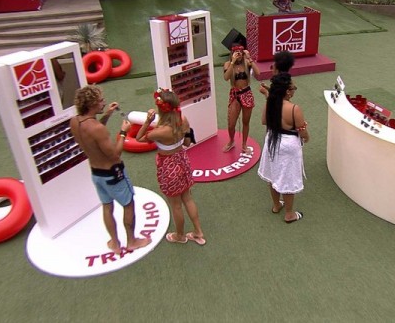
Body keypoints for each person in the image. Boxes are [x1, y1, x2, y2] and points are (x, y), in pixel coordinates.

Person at [69, 85, 150, 254]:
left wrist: (107, 114)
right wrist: (123, 132)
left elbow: (92, 133)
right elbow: (115, 154)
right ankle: (132, 241)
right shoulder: (97, 129)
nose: (104, 102)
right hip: (113, 174)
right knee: (128, 205)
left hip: (96, 174)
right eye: (100, 101)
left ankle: (115, 242)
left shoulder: (75, 121)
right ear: (91, 104)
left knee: (107, 207)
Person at [136, 88, 205, 245]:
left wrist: (147, 121)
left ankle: (180, 236)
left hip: (168, 166)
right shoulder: (183, 119)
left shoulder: (160, 132)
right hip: (182, 160)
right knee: (187, 198)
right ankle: (198, 231)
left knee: (176, 205)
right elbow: (187, 143)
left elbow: (139, 138)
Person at [257, 73, 309, 224]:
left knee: (273, 174)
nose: (294, 90)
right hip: (288, 145)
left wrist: (268, 95)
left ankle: (276, 205)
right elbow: (302, 131)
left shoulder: (270, 103)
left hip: (272, 141)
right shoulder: (294, 108)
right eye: (293, 88)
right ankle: (289, 214)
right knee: (288, 178)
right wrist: (306, 137)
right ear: (287, 91)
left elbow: (264, 121)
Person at [222, 44, 261, 154]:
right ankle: (231, 141)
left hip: (246, 93)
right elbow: (226, 78)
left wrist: (249, 58)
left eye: (240, 52)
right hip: (235, 95)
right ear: (232, 53)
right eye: (236, 52)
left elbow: (258, 73)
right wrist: (233, 62)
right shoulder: (228, 64)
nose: (239, 55)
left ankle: (244, 144)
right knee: (231, 123)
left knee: (246, 122)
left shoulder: (247, 62)